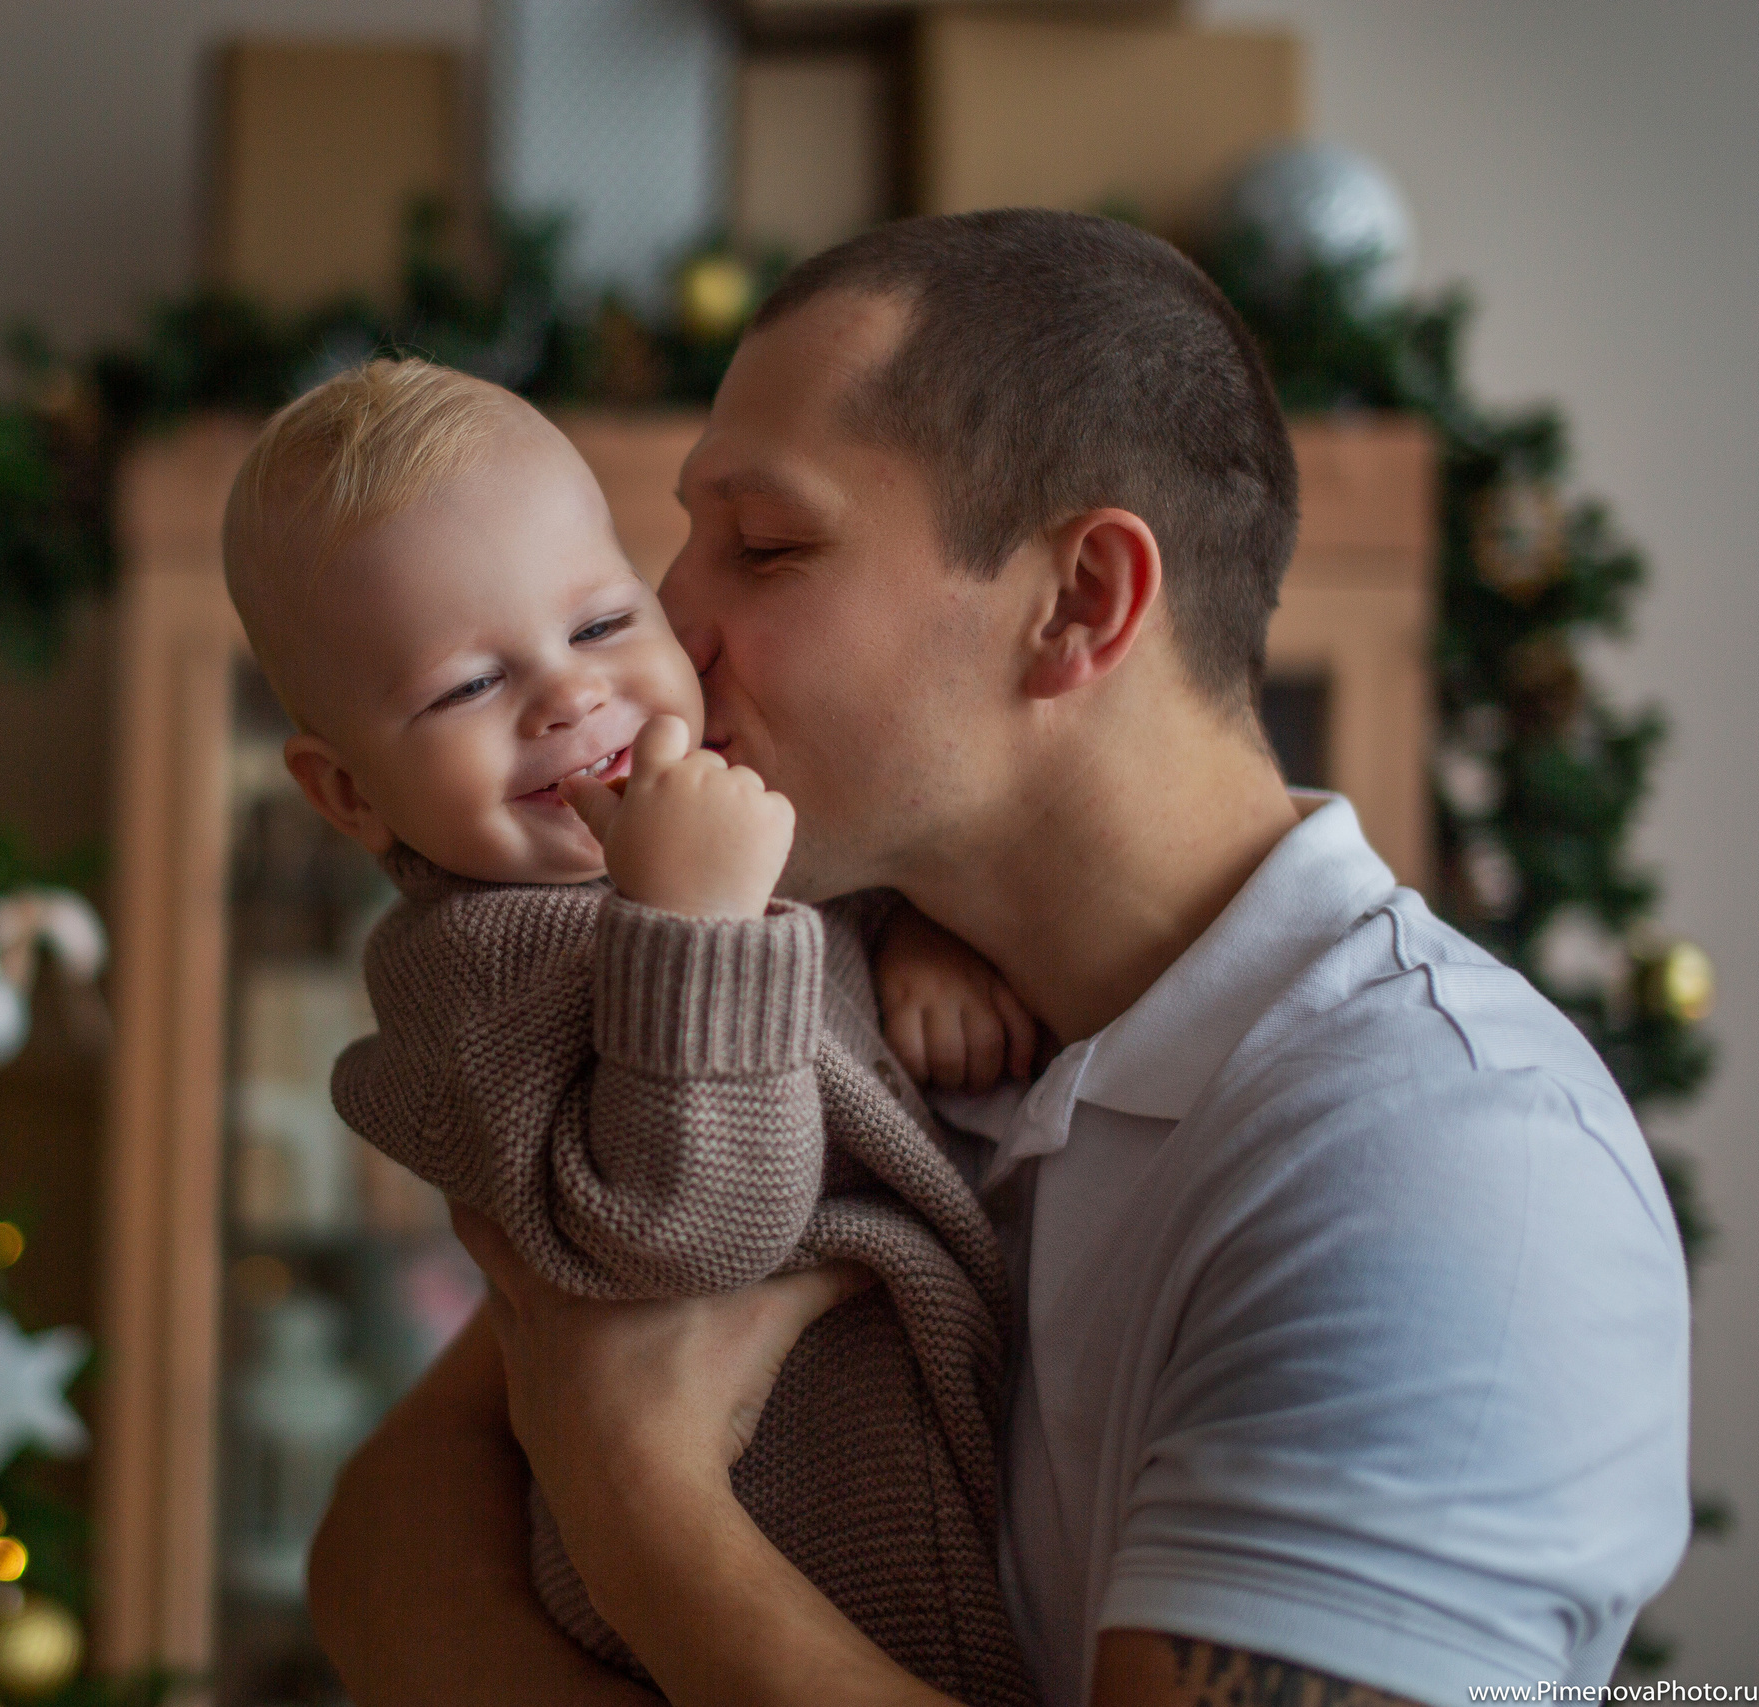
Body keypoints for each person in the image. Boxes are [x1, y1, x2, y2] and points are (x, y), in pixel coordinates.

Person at [308, 211, 1693, 1707]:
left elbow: (554, 1443)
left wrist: (639, 1500)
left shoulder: (1441, 1162)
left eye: (764, 546)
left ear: (1079, 604)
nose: (666, 628)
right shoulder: (818, 992)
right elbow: (380, 1548)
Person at [219, 358, 1036, 1703]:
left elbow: (814, 902)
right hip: (790, 1567)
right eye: (465, 688)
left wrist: (917, 933)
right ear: (349, 794)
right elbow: (689, 1231)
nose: (566, 696)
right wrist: (695, 926)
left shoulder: (685, 819)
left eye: (602, 622)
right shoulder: (476, 975)